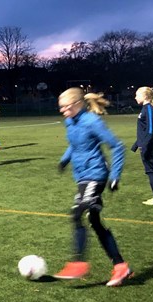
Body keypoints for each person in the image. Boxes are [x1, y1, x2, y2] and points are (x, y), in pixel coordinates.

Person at [54, 88, 130, 287]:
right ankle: (121, 266)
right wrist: (64, 160)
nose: (62, 111)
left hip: (96, 175)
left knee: (77, 212)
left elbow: (117, 146)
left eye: (65, 107)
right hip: (81, 177)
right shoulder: (70, 121)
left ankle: (78, 263)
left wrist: (115, 176)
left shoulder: (92, 121)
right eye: (60, 107)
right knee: (94, 221)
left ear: (77, 104)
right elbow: (76, 144)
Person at [131, 86, 153, 205]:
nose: (135, 97)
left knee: (151, 171)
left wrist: (144, 146)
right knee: (150, 170)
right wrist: (136, 145)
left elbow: (150, 130)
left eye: (137, 95)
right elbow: (144, 131)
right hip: (147, 145)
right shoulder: (145, 109)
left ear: (144, 96)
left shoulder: (149, 109)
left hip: (150, 146)